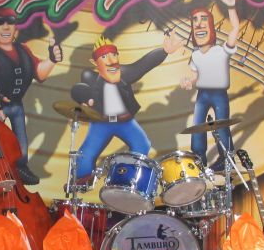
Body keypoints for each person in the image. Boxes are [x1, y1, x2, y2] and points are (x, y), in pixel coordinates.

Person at [71, 33, 182, 181]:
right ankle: (80, 181)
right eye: (104, 57)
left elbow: (143, 65)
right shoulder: (90, 77)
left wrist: (164, 51)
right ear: (95, 62)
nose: (111, 61)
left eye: (114, 55)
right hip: (101, 122)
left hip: (124, 121)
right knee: (86, 154)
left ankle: (126, 176)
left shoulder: (124, 73)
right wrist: (86, 99)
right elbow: (79, 89)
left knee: (142, 145)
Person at [0, 7, 63, 185]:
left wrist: (52, 60)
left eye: (10, 22)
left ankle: (20, 168)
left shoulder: (24, 50)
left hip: (17, 105)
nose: (6, 27)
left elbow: (39, 73)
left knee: (21, 142)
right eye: (0, 22)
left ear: (16, 27)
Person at [180, 0, 241, 170]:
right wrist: (190, 82)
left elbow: (235, 29)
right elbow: (196, 75)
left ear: (211, 27)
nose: (198, 25)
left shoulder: (221, 51)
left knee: (221, 126)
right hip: (202, 94)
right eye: (195, 21)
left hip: (219, 94)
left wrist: (231, 7)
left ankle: (227, 159)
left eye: (203, 19)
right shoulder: (195, 55)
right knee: (197, 127)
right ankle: (199, 159)